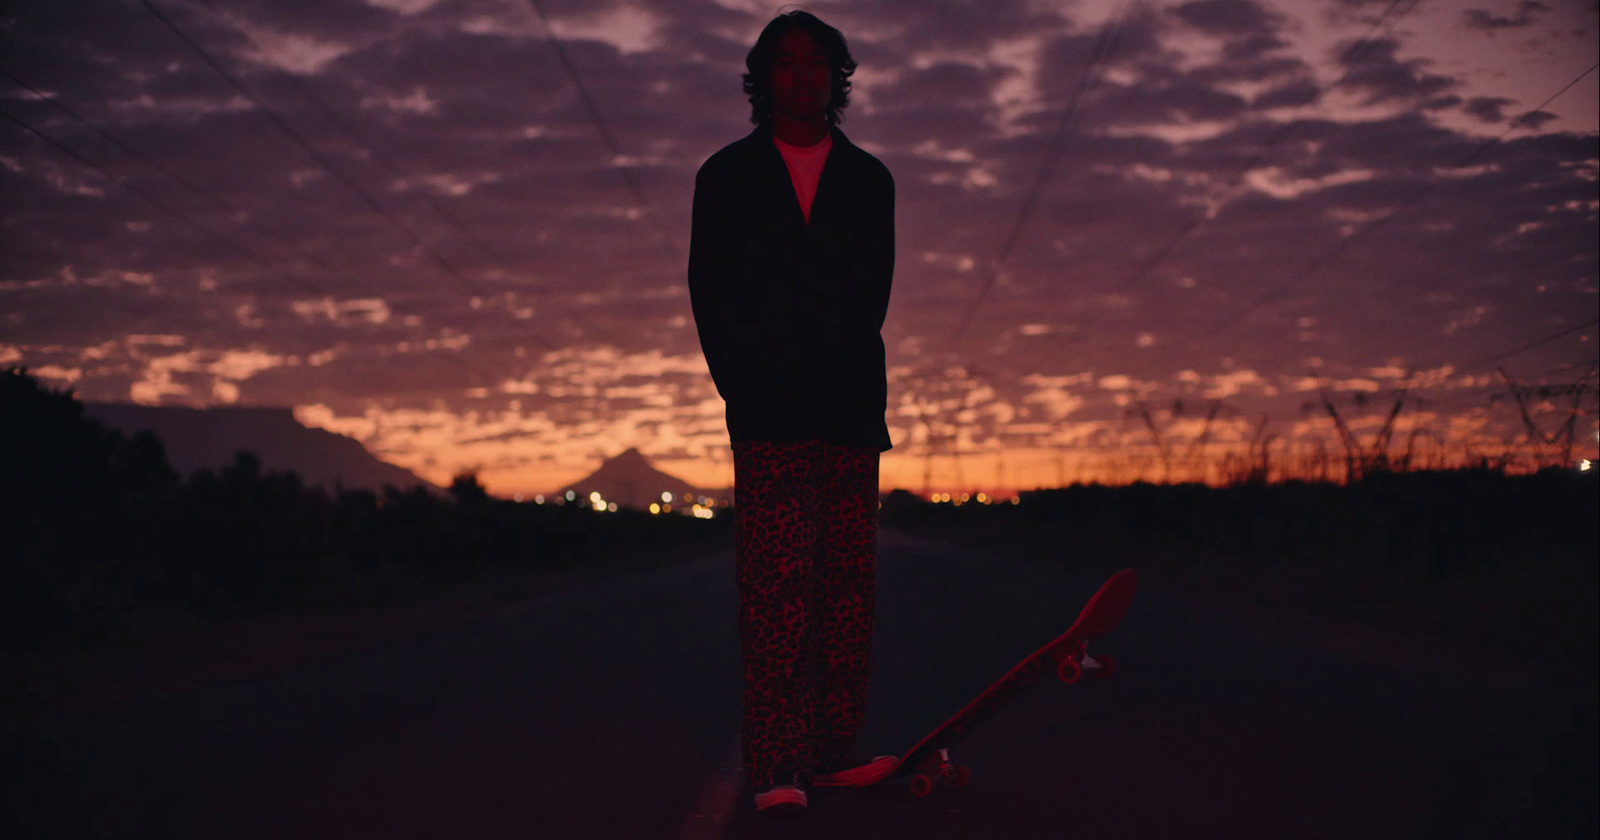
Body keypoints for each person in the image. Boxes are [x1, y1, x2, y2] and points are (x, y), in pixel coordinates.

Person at [687, 10, 897, 816]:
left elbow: (870, 296)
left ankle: (835, 752)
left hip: (847, 407)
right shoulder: (727, 176)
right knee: (775, 590)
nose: (803, 75)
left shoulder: (869, 178)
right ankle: (777, 764)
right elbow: (711, 294)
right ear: (764, 76)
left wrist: (827, 366)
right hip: (768, 411)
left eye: (818, 63)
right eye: (787, 62)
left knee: (846, 589)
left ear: (836, 77)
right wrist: (746, 386)